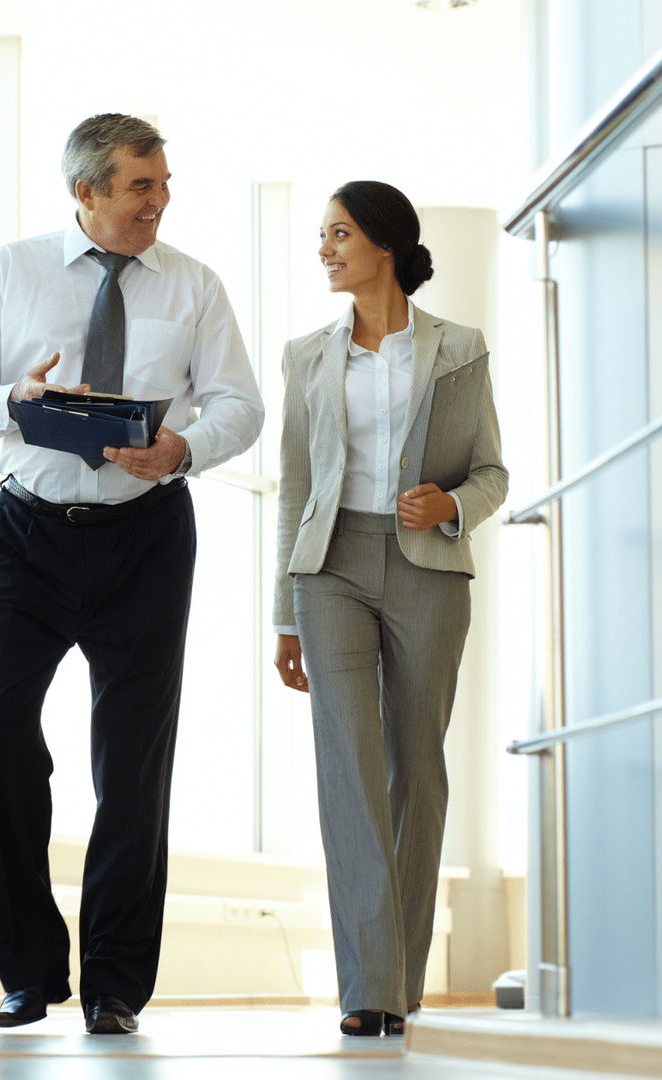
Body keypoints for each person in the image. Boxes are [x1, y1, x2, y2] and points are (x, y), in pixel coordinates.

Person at [0, 113, 265, 1035]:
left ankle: (115, 984)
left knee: (132, 762)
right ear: (86, 192)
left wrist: (183, 447)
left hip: (146, 538)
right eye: (140, 187)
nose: (159, 202)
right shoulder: (12, 270)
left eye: (162, 185)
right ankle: (27, 971)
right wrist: (17, 398)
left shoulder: (193, 285)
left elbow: (241, 402)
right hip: (28, 538)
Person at [272, 181, 507, 1037]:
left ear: (384, 243)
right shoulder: (305, 354)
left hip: (428, 573)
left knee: (417, 766)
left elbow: (491, 473)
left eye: (339, 234)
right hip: (329, 568)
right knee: (349, 766)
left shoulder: (459, 348)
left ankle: (399, 976)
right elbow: (297, 487)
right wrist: (283, 614)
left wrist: (446, 506)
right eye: (322, 235)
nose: (326, 249)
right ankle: (367, 987)